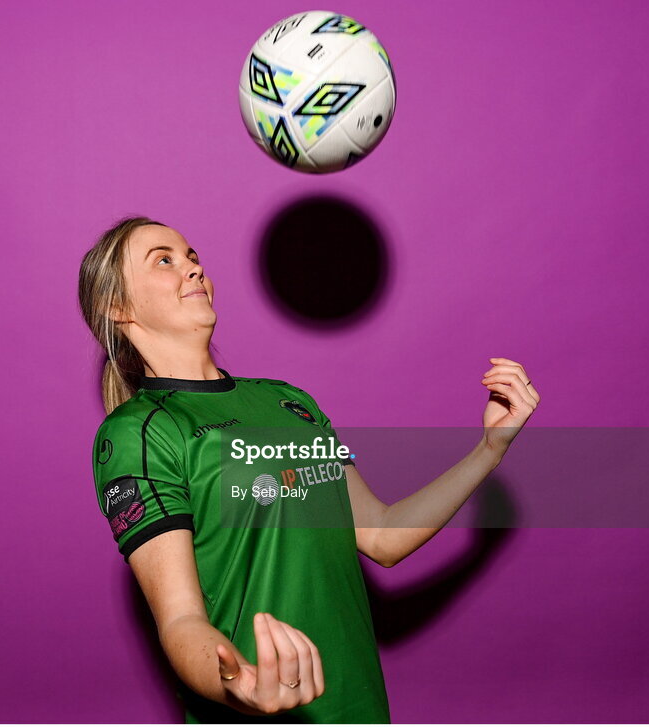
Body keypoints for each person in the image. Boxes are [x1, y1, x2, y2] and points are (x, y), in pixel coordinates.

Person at [78, 215, 540, 723]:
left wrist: (489, 449)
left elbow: (382, 535)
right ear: (115, 307)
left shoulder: (290, 402)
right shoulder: (138, 432)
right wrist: (243, 686)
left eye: (192, 256)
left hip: (356, 709)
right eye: (164, 260)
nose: (192, 268)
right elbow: (181, 620)